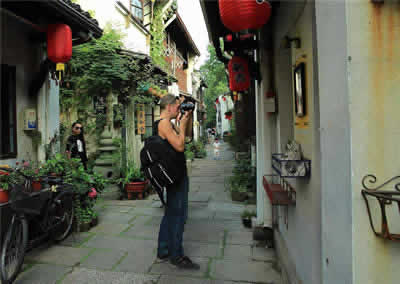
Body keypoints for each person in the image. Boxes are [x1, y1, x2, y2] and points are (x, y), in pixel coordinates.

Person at [155, 94, 199, 270]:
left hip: (173, 174)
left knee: (171, 213)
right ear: (169, 106)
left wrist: (185, 121)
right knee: (179, 214)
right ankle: (177, 255)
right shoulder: (164, 123)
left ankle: (164, 249)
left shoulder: (167, 123)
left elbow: (186, 137)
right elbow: (180, 147)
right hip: (175, 176)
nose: (178, 108)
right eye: (177, 106)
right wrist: (180, 124)